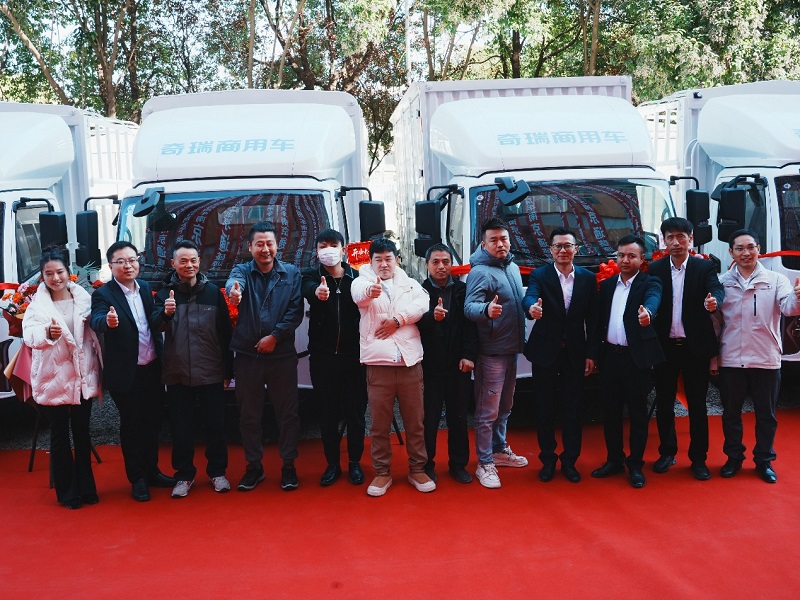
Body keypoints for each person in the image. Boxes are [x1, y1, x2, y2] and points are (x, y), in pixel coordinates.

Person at [90, 241, 176, 502]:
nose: (128, 265)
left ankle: (152, 472)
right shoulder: (104, 294)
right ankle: (137, 478)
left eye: (132, 260)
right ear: (111, 266)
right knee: (132, 425)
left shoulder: (145, 288)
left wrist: (166, 315)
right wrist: (107, 322)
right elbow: (96, 319)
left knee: (153, 422)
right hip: (126, 373)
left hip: (152, 366)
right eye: (121, 261)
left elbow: (152, 323)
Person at [712, 229, 800, 484]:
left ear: (759, 249)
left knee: (766, 415)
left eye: (750, 247)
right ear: (731, 252)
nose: (746, 253)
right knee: (731, 414)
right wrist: (713, 357)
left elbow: (788, 308)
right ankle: (734, 458)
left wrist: (797, 298)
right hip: (731, 358)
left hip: (766, 357)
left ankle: (764, 460)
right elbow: (715, 322)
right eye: (739, 248)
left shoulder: (776, 279)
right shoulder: (721, 282)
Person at [350, 237, 433, 497]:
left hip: (410, 363)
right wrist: (371, 292)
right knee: (379, 424)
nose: (384, 264)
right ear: (371, 261)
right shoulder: (361, 281)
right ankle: (382, 472)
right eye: (378, 259)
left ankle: (417, 469)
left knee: (415, 422)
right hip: (378, 365)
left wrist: (398, 319)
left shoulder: (411, 283)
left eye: (388, 258)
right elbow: (359, 295)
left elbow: (423, 305)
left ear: (397, 259)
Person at [226, 221, 303, 491]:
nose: (265, 249)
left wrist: (274, 337)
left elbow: (295, 311)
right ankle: (254, 467)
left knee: (288, 413)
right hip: (248, 356)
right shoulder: (242, 271)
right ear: (250, 247)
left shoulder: (291, 273)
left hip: (282, 355)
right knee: (249, 415)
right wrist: (234, 293)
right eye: (259, 244)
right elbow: (233, 285)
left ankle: (289, 466)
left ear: (277, 245)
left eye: (269, 243)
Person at [23, 248, 102, 509]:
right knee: (59, 435)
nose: (55, 278)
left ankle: (87, 488)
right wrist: (47, 333)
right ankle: (67, 492)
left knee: (82, 433)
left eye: (60, 272)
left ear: (69, 272)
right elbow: (29, 335)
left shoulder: (84, 299)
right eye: (49, 273)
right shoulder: (37, 305)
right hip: (53, 376)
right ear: (42, 276)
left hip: (82, 375)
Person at [153, 240, 233, 497]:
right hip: (177, 372)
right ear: (173, 263)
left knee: (216, 426)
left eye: (193, 260)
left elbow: (225, 332)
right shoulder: (164, 294)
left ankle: (218, 472)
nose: (189, 265)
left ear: (200, 262)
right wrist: (166, 314)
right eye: (183, 261)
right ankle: (184, 476)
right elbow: (155, 326)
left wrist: (228, 371)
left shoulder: (213, 293)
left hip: (211, 370)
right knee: (181, 429)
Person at [649, 217, 724, 480]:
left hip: (695, 349)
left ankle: (698, 459)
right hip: (665, 347)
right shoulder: (655, 269)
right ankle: (667, 452)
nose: (676, 242)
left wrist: (715, 302)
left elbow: (716, 289)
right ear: (664, 241)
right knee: (664, 403)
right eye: (670, 237)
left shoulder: (704, 268)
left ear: (691, 239)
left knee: (697, 405)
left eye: (681, 236)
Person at [522, 227, 598, 484]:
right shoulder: (539, 275)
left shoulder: (588, 278)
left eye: (568, 246)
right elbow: (530, 297)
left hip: (575, 353)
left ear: (576, 249)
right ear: (550, 250)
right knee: (544, 408)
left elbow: (593, 319)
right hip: (545, 352)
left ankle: (569, 461)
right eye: (558, 246)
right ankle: (547, 460)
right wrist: (531, 308)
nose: (563, 250)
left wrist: (591, 353)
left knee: (573, 409)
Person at [592, 235, 664, 489]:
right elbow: (598, 323)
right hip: (610, 358)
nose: (625, 260)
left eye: (631, 256)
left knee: (637, 414)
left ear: (642, 259)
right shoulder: (607, 286)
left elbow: (654, 299)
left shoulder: (650, 282)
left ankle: (635, 465)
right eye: (621, 255)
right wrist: (594, 355)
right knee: (610, 413)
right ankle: (614, 460)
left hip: (636, 360)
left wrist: (649, 313)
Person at [465, 217, 528, 489]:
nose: (500, 244)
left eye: (504, 239)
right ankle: (484, 462)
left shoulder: (512, 267)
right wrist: (485, 310)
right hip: (491, 353)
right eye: (494, 240)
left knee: (505, 407)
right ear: (484, 244)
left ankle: (499, 450)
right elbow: (469, 307)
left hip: (512, 350)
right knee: (487, 411)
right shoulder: (480, 272)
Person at [301, 229, 367, 486]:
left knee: (356, 412)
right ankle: (332, 464)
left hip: (354, 358)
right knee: (327, 413)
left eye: (333, 245)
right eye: (322, 245)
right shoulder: (311, 276)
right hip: (323, 357)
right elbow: (308, 289)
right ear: (317, 251)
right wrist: (317, 292)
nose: (328, 249)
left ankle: (355, 463)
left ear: (343, 249)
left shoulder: (357, 278)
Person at [417, 243, 478, 484]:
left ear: (452, 264)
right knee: (429, 420)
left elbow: (471, 326)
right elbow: (413, 324)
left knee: (459, 418)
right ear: (427, 265)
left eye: (446, 262)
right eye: (436, 262)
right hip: (429, 367)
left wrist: (469, 355)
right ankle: (426, 464)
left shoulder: (464, 290)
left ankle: (458, 465)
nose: (441, 266)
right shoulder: (418, 291)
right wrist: (431, 318)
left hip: (458, 365)